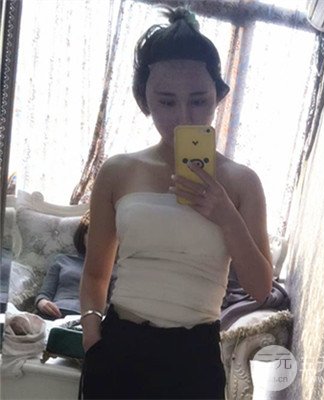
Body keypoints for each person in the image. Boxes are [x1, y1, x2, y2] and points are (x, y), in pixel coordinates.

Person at [79, 6, 273, 400]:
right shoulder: (117, 171)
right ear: (144, 100)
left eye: (199, 100)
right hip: (119, 348)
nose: (184, 116)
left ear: (219, 96)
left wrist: (225, 214)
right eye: (166, 102)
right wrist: (92, 338)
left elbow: (260, 287)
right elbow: (96, 274)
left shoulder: (242, 182)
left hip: (194, 358)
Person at [35, 212, 115, 320]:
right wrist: (42, 303)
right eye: (91, 234)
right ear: (83, 236)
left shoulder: (114, 269)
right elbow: (44, 294)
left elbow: (114, 307)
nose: (96, 240)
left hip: (88, 319)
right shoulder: (62, 260)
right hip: (55, 313)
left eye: (102, 236)